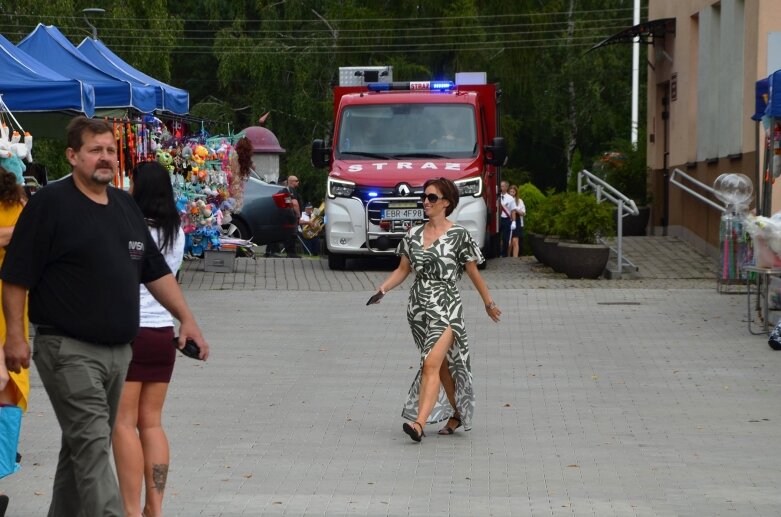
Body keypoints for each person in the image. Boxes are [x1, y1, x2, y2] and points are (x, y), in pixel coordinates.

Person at [0, 116, 210, 517]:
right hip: (68, 349)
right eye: (95, 150)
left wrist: (187, 317)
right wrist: (14, 337)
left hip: (120, 354)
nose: (106, 158)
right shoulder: (50, 204)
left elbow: (155, 271)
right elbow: (15, 276)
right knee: (95, 444)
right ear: (72, 155)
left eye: (111, 150)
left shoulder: (125, 207)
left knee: (81, 446)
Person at [369, 177, 501, 443]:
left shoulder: (458, 235)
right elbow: (403, 270)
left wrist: (488, 302)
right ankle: (458, 413)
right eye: (425, 196)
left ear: (446, 203)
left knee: (430, 362)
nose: (425, 202)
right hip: (418, 310)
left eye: (431, 198)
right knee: (441, 368)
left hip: (447, 307)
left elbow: (473, 272)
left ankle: (418, 424)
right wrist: (383, 289)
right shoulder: (413, 234)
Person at [112, 161, 186, 517]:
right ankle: (154, 508)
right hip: (162, 333)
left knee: (123, 423)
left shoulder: (128, 227)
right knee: (152, 423)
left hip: (128, 331)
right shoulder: (177, 231)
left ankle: (129, 510)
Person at [0, 166, 27, 517]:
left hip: (10, 313)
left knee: (8, 395)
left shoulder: (17, 202)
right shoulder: (18, 203)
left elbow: (29, 239)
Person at [498, 180, 515, 257]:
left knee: (505, 238)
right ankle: (496, 254)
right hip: (497, 219)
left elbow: (513, 210)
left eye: (502, 186)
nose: (500, 187)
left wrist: (514, 221)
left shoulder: (510, 198)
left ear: (506, 187)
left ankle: (504, 254)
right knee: (496, 237)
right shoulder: (496, 196)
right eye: (500, 186)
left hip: (506, 219)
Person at [509, 185, 526, 258]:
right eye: (510, 192)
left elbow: (524, 213)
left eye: (513, 192)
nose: (512, 193)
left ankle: (515, 258)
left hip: (517, 221)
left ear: (516, 193)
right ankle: (507, 257)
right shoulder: (507, 199)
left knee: (515, 241)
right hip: (508, 220)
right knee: (509, 242)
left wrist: (515, 209)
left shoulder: (519, 201)